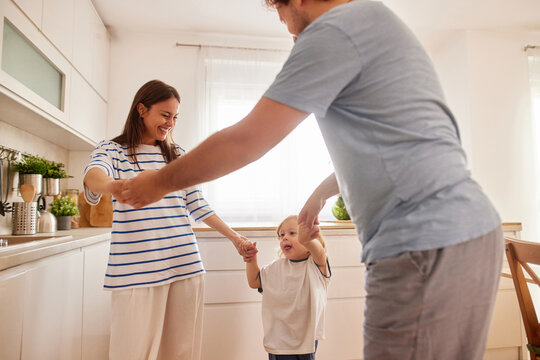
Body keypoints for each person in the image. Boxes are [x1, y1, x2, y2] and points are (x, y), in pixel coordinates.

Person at [118, 1, 503, 359]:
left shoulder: (336, 29)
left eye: (280, 11)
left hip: (424, 241)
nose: (286, 27)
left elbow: (247, 140)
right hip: (469, 232)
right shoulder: (373, 19)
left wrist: (160, 181)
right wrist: (320, 193)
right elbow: (396, 146)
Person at [83, 79, 254, 360]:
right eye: (165, 115)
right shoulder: (112, 150)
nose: (170, 123)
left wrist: (235, 237)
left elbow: (197, 204)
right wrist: (114, 186)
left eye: (175, 117)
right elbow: (93, 176)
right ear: (141, 109)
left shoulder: (177, 156)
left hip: (185, 265)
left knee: (181, 354)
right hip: (135, 273)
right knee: (131, 353)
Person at [244, 215, 330, 359]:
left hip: (305, 338)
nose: (284, 238)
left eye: (292, 233)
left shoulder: (316, 266)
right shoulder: (275, 268)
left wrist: (306, 237)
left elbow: (320, 252)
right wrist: (251, 260)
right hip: (279, 339)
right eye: (281, 235)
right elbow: (254, 281)